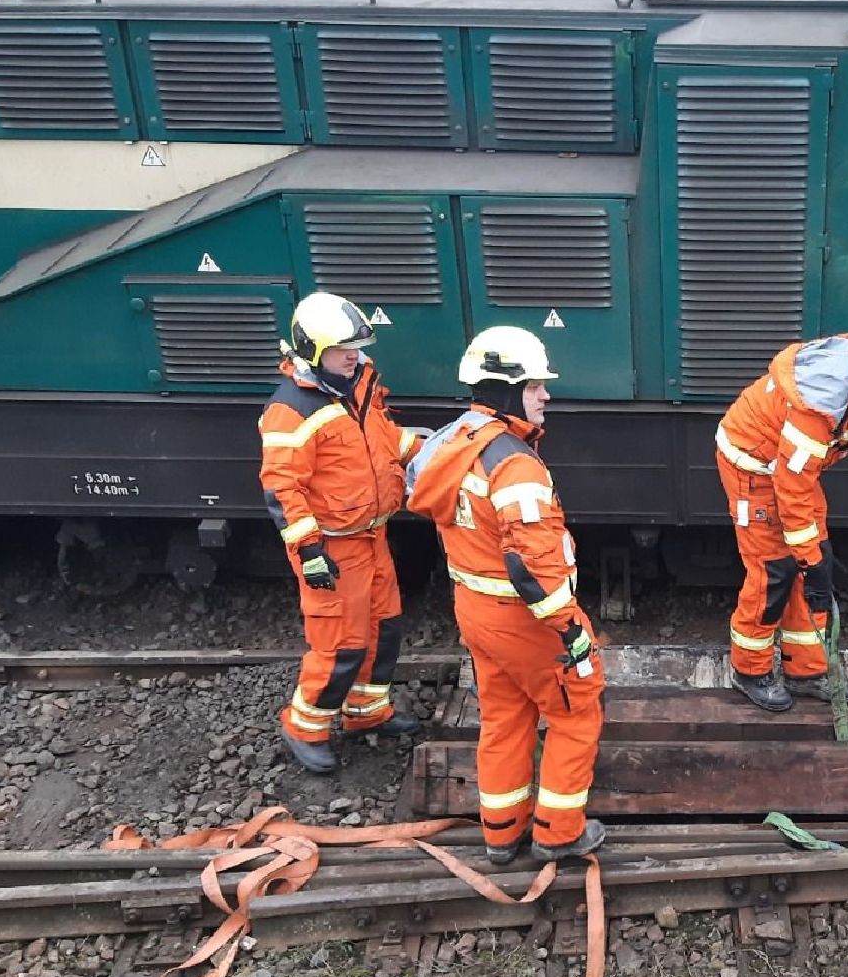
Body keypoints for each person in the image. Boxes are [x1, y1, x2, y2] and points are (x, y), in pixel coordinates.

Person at [405, 326, 605, 863]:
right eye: (535, 386)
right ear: (505, 390)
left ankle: (500, 832)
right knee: (577, 710)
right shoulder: (514, 464)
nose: (546, 396)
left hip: (476, 612)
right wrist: (569, 628)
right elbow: (532, 563)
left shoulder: (459, 444)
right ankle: (559, 833)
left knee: (504, 718)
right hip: (525, 621)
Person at [715, 333, 848, 713]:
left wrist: (813, 561)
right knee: (774, 572)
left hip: (793, 470)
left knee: (815, 567)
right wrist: (807, 558)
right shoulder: (815, 410)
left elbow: (798, 480)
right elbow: (791, 486)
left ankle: (806, 670)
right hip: (753, 468)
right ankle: (749, 670)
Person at [259, 291, 424, 775]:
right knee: (341, 643)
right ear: (312, 351)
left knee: (383, 628)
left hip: (371, 536)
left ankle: (366, 712)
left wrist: (434, 452)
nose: (352, 355)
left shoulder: (357, 387)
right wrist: (309, 550)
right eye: (341, 348)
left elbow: (385, 440)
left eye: (355, 346)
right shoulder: (292, 409)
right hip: (332, 546)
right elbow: (282, 486)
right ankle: (304, 727)